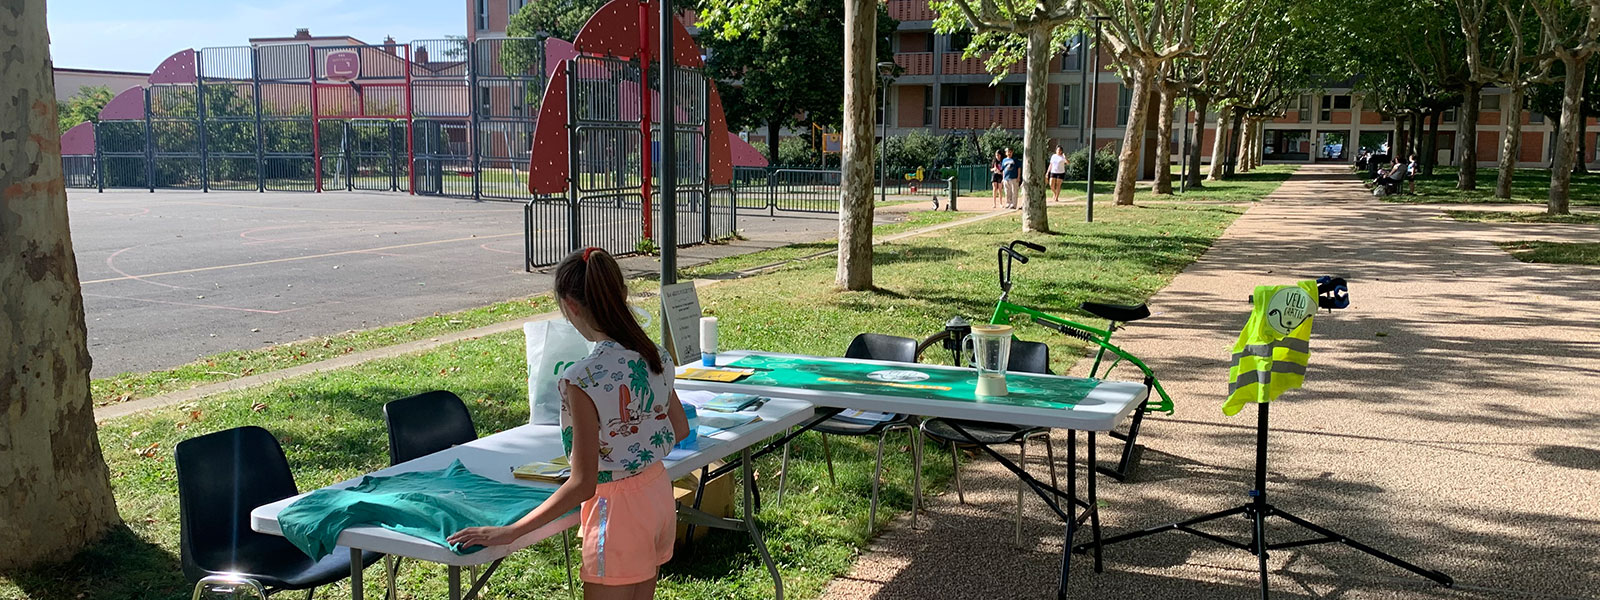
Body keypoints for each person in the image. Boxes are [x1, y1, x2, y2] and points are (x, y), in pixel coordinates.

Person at [449, 248, 690, 600]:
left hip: (616, 513)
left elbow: (583, 484)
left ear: (571, 307)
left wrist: (511, 531)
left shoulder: (583, 378)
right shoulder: (656, 355)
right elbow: (679, 428)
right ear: (621, 294)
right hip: (656, 495)